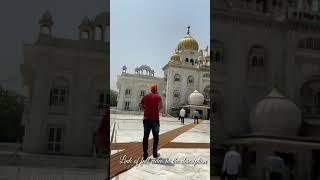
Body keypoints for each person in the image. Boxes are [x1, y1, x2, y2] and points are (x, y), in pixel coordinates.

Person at [140, 84, 163, 160]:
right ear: (156, 89)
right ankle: (155, 154)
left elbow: (141, 105)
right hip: (155, 120)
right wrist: (155, 109)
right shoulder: (158, 97)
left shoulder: (145, 96)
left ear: (150, 89)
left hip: (146, 119)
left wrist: (146, 110)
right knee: (156, 137)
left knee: (145, 137)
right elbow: (160, 107)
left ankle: (145, 155)